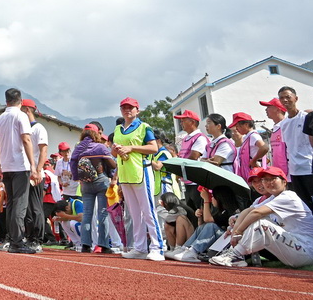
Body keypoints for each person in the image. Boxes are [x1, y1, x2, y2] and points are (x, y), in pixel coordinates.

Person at [209, 167, 313, 268]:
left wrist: (238, 231)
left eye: (273, 179)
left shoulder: (288, 196)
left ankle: (235, 255)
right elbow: (249, 211)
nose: (268, 183)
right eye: (265, 180)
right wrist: (235, 226)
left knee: (261, 222)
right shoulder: (272, 198)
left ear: (284, 182)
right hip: (292, 249)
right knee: (254, 221)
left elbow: (256, 213)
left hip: (306, 252)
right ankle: (235, 255)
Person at [111, 97, 164, 261]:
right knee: (134, 213)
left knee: (148, 211)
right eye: (124, 108)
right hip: (126, 175)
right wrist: (116, 150)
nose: (127, 110)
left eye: (131, 107)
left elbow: (153, 147)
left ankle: (157, 247)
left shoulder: (144, 127)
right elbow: (114, 153)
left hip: (142, 172)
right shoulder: (119, 129)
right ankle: (140, 247)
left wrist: (131, 147)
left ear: (137, 110)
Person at [0, 87, 38, 253]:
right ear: (20, 101)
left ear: (6, 101)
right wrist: (33, 165)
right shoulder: (21, 116)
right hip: (20, 165)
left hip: (6, 166)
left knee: (11, 204)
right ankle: (17, 242)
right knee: (20, 204)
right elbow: (26, 139)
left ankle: (11, 239)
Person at [70, 124, 116, 254]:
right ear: (96, 134)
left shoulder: (78, 148)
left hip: (85, 184)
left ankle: (85, 245)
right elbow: (112, 165)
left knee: (87, 215)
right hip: (101, 181)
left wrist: (76, 178)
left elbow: (73, 164)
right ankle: (104, 245)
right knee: (102, 214)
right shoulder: (100, 147)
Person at [277, 86, 313, 209]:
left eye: (288, 97)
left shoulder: (306, 117)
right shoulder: (283, 124)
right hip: (294, 170)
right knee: (302, 203)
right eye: (281, 98)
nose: (285, 100)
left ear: (296, 98)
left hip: (309, 167)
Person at [173, 109, 209, 226]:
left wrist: (179, 167)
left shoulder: (200, 138)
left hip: (197, 182)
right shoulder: (186, 139)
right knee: (191, 213)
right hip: (188, 181)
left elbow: (194, 156)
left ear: (192, 122)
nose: (181, 123)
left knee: (200, 212)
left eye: (183, 120)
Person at [21, 98, 48, 251]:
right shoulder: (23, 128)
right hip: (24, 172)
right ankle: (29, 237)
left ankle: (37, 239)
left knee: (36, 207)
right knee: (27, 209)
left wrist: (37, 170)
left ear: (27, 110)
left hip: (35, 173)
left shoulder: (38, 128)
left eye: (21, 110)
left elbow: (43, 150)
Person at [229, 112, 268, 177]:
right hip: (247, 172)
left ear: (246, 124)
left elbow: (264, 148)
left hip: (254, 173)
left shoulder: (253, 136)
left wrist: (254, 160)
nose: (237, 129)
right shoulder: (247, 137)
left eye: (238, 126)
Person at [260, 97, 289, 179]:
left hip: (289, 174)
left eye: (269, 107)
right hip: (279, 173)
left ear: (278, 109)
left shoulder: (286, 126)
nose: (266, 110)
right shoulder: (275, 128)